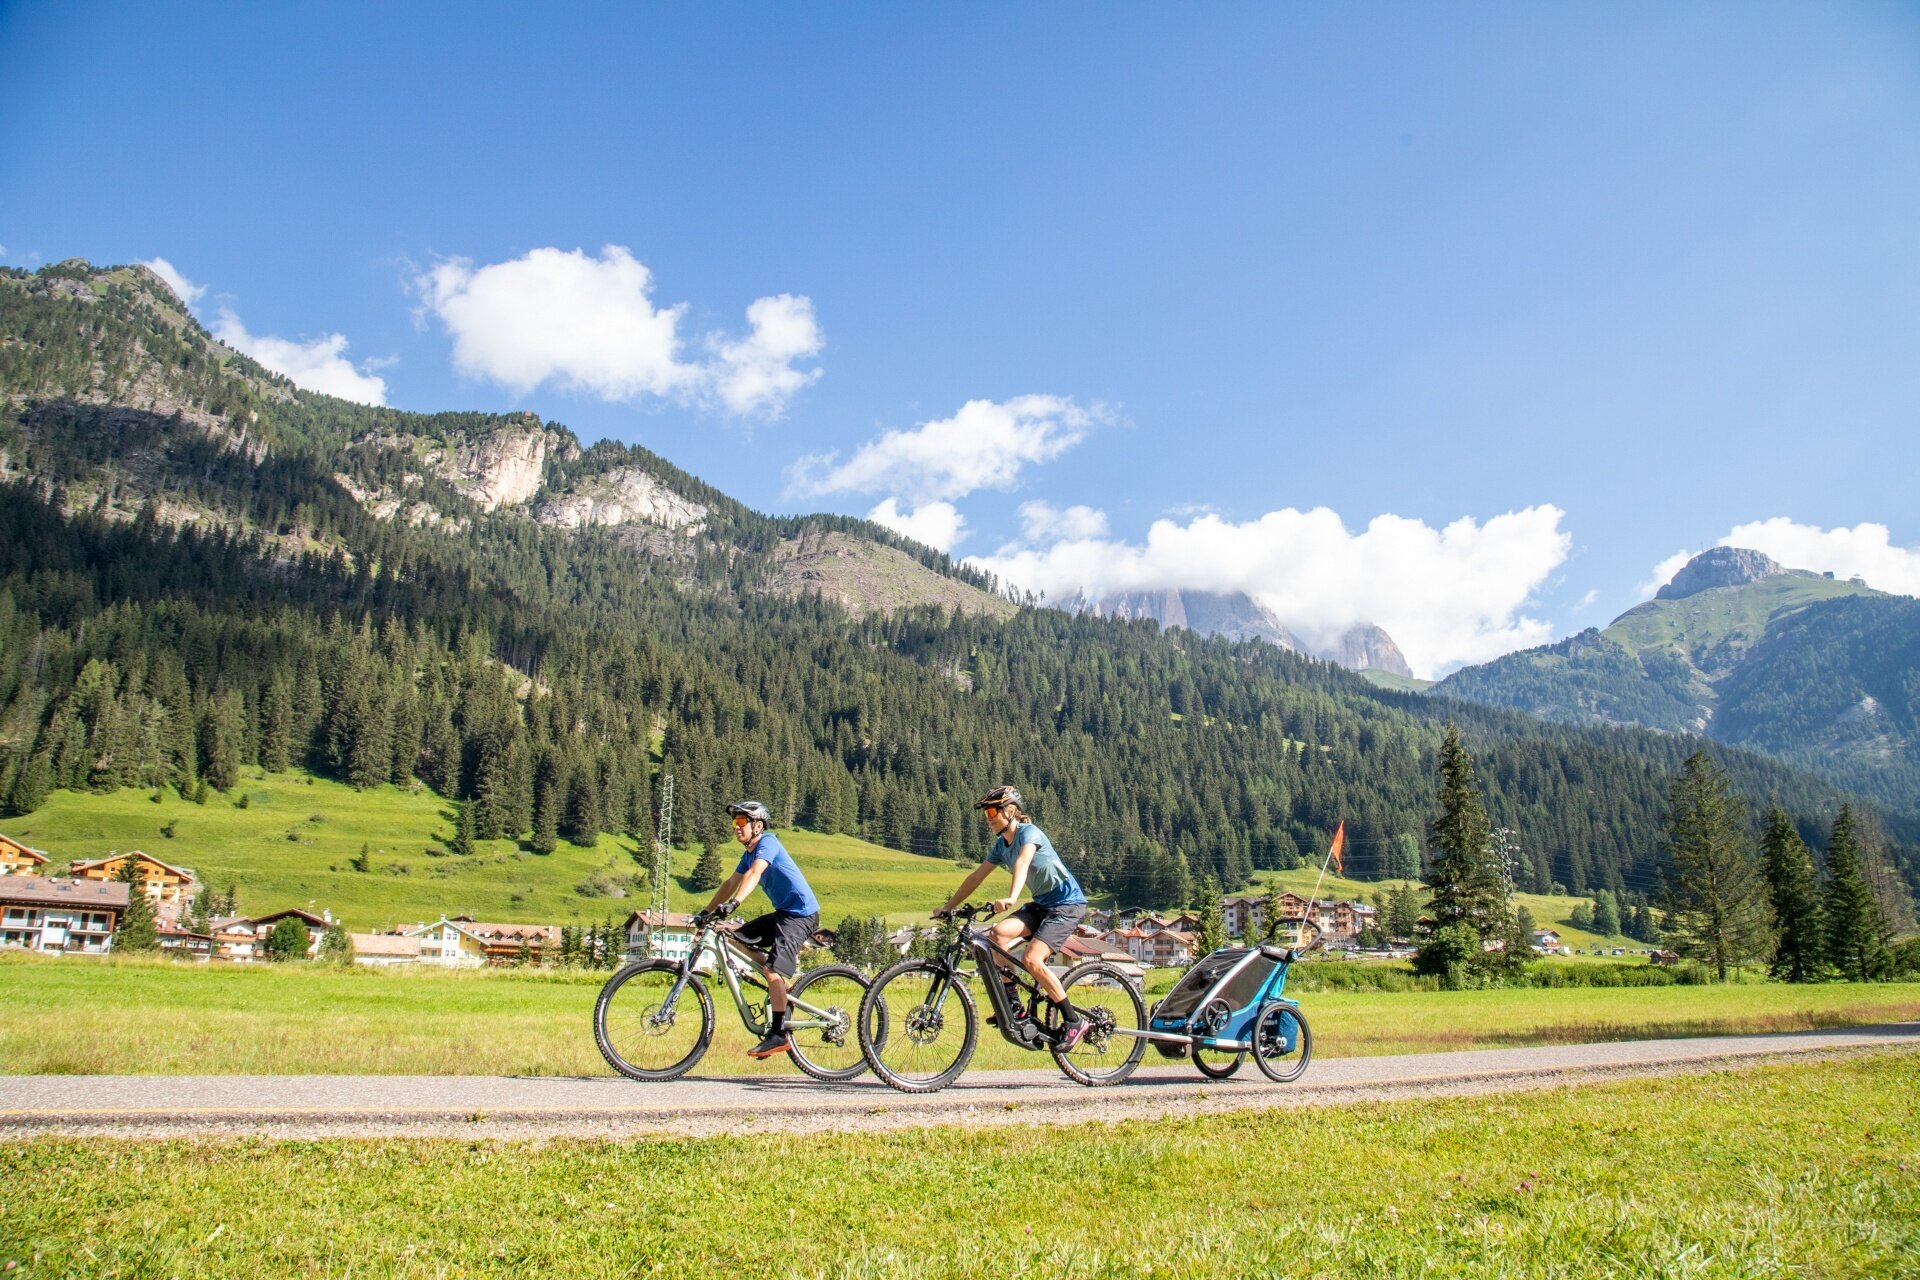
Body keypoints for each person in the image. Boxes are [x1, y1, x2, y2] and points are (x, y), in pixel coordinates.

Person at [938, 785, 1089, 1049]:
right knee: (997, 935)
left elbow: (1022, 862)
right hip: (1042, 904)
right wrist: (948, 907)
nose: (989, 818)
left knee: (1032, 958)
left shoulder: (1030, 832)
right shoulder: (1000, 845)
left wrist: (1011, 897)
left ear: (1010, 811)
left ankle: (1074, 1022)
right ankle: (1015, 1008)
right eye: (986, 813)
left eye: (993, 811)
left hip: (1067, 905)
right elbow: (975, 877)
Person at [698, 800, 821, 1059]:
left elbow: (754, 874)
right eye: (735, 822)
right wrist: (706, 913)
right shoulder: (748, 854)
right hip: (783, 914)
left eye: (741, 822)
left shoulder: (768, 843)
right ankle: (779, 985)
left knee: (772, 970)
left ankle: (778, 1034)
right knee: (731, 937)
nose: (736, 827)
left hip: (801, 916)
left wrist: (733, 904)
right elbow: (730, 882)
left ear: (758, 825)